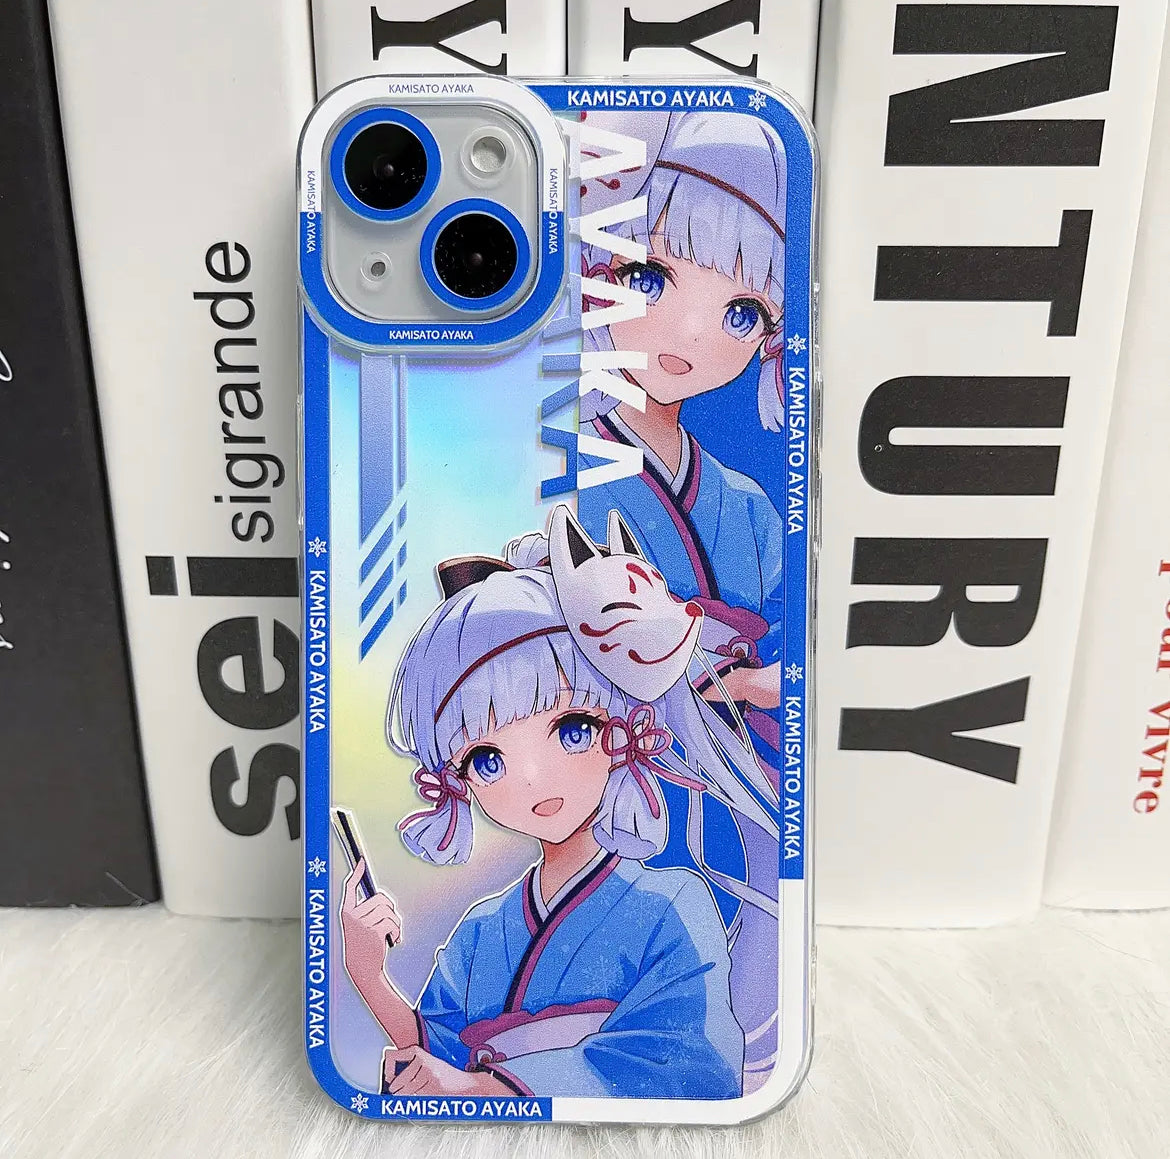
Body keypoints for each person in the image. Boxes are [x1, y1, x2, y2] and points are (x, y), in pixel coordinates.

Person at [339, 509, 781, 1099]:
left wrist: (483, 1088)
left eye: (572, 729)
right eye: (487, 760)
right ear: (458, 781)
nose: (532, 778)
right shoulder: (482, 931)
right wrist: (367, 973)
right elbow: (438, 1054)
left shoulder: (674, 904)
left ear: (625, 728)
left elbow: (686, 1061)